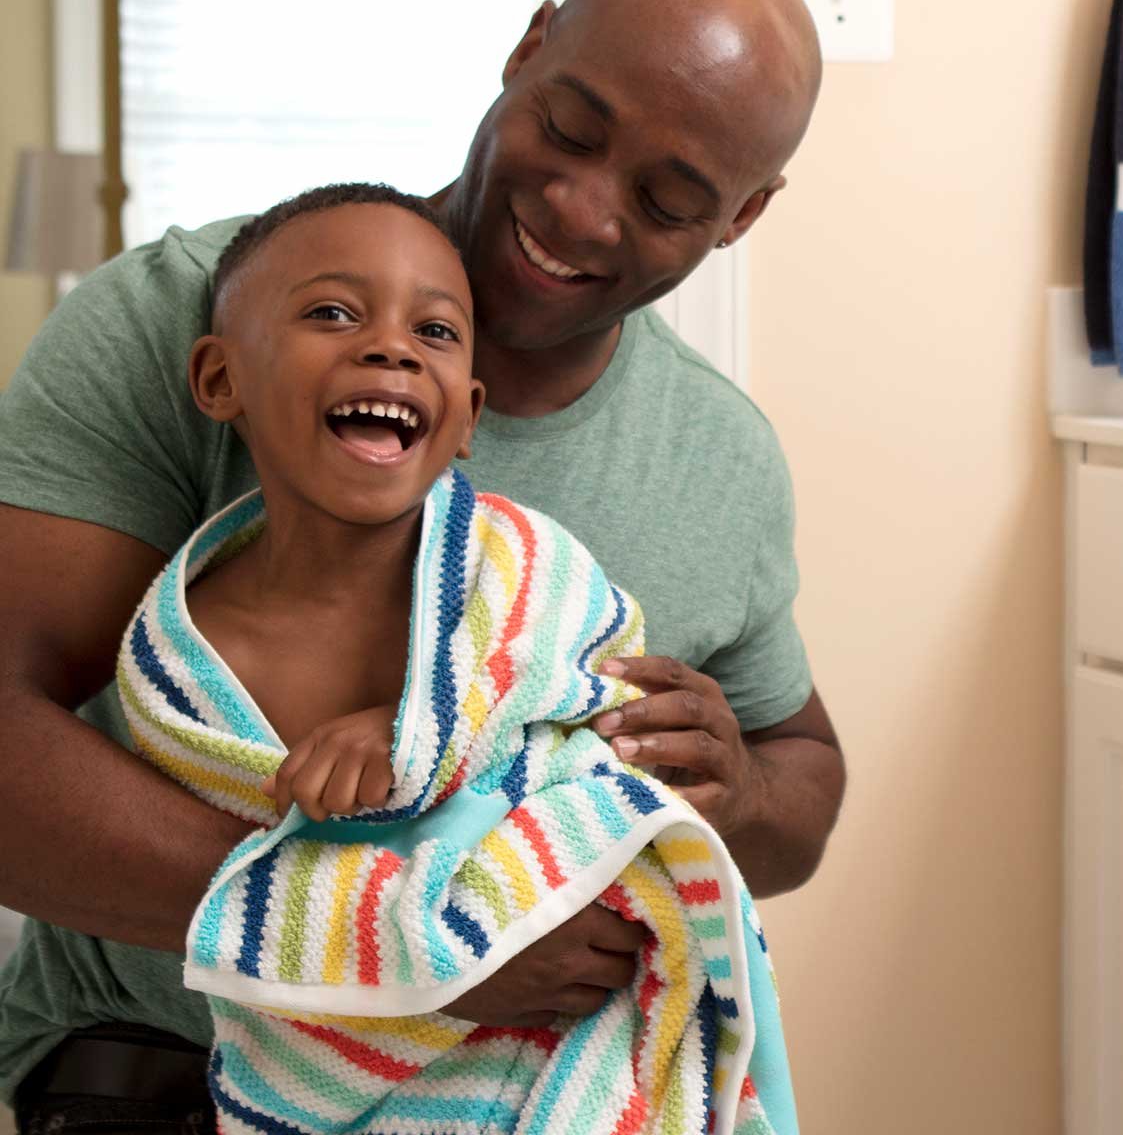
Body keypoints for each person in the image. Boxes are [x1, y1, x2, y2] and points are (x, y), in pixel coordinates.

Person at [0, 0, 843, 1124]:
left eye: (665, 200)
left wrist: (741, 796)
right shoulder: (191, 316)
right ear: (529, 44)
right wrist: (407, 944)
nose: (580, 208)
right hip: (160, 1068)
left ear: (743, 216)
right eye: (571, 126)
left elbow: (801, 768)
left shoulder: (716, 458)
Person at [110, 181, 794, 1132]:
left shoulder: (522, 572)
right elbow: (243, 881)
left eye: (434, 332)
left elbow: (597, 743)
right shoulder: (181, 669)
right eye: (332, 313)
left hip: (575, 1056)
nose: (389, 344)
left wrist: (429, 732)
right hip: (351, 1082)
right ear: (221, 379)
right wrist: (428, 945)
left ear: (466, 417)